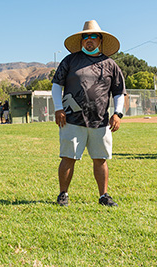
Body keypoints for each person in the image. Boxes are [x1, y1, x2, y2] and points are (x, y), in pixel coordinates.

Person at [51, 20, 126, 207]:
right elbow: (56, 86)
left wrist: (118, 114)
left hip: (100, 121)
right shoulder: (70, 61)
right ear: (81, 40)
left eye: (93, 36)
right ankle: (63, 194)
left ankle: (104, 196)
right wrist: (59, 108)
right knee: (68, 157)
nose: (89, 39)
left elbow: (119, 91)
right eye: (86, 36)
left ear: (100, 40)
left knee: (100, 159)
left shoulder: (110, 64)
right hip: (71, 119)